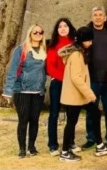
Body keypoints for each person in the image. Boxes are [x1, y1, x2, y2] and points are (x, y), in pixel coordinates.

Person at [58, 26, 107, 162]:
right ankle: (65, 152)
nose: (91, 43)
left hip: (78, 95)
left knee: (94, 113)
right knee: (72, 122)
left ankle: (100, 145)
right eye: (89, 40)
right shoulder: (77, 55)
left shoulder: (79, 52)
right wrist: (90, 93)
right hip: (75, 95)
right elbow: (76, 78)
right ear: (82, 40)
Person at [3, 24, 47, 158]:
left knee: (34, 120)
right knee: (23, 120)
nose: (38, 34)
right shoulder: (21, 50)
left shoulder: (44, 50)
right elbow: (13, 71)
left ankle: (32, 147)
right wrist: (8, 90)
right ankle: (22, 149)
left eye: (41, 32)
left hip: (38, 92)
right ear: (30, 34)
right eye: (35, 32)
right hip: (22, 91)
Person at [82, 7, 107, 151]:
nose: (98, 17)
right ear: (92, 18)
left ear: (105, 17)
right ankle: (91, 138)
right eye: (95, 15)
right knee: (92, 111)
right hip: (92, 79)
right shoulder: (87, 33)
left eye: (100, 15)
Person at [46, 18, 76, 156]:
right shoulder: (53, 45)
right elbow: (50, 67)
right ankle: (53, 144)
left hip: (72, 83)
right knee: (54, 114)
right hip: (58, 82)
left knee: (71, 114)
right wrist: (62, 78)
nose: (63, 28)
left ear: (70, 28)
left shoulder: (75, 44)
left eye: (65, 26)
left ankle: (70, 142)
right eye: (60, 26)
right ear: (56, 30)